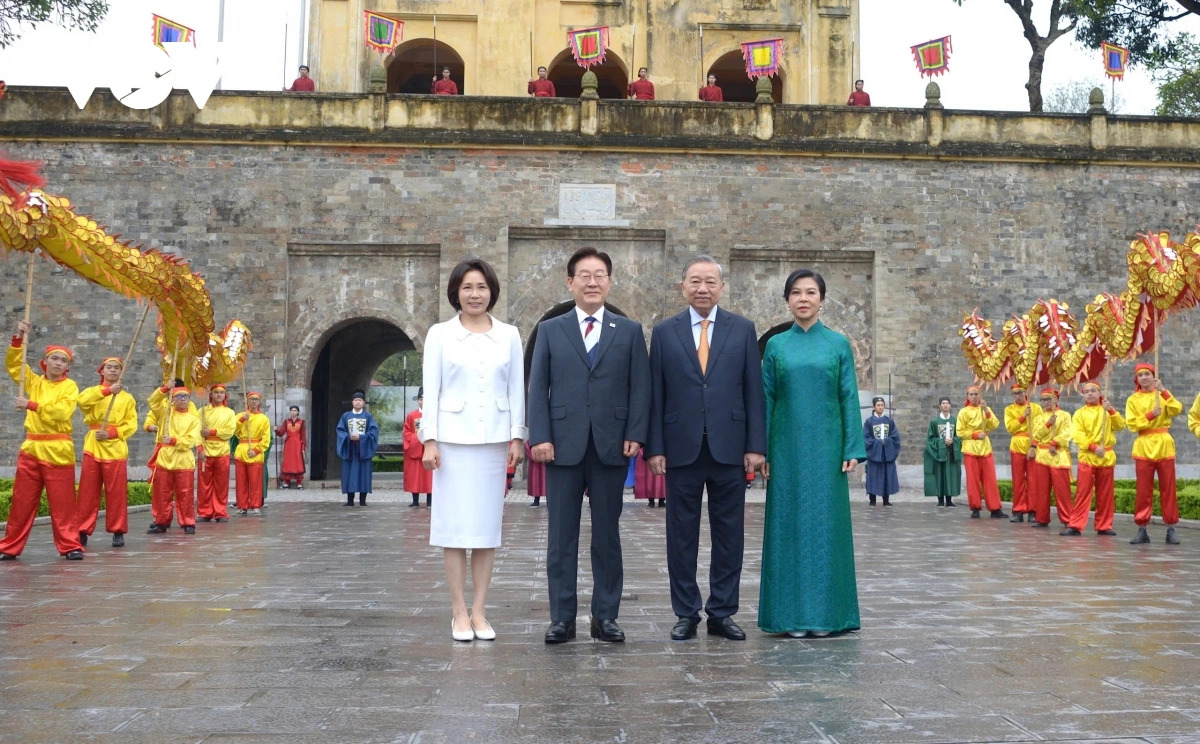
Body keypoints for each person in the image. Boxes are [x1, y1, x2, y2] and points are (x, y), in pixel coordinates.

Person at [528, 246, 651, 644]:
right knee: (561, 537)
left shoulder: (628, 330)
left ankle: (606, 617)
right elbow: (536, 387)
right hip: (561, 446)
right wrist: (540, 435)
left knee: (607, 537)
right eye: (584, 275)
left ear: (609, 281)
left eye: (600, 275)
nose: (592, 281)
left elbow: (641, 387)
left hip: (611, 445)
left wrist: (635, 431)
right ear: (570, 282)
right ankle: (562, 618)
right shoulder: (550, 330)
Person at [646, 255, 766, 642]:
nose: (703, 288)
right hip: (680, 448)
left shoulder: (742, 329)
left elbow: (753, 391)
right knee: (681, 535)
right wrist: (655, 447)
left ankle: (722, 611)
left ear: (721, 287)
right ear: (682, 286)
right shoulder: (665, 332)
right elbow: (655, 393)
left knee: (729, 534)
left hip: (730, 448)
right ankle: (685, 612)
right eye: (695, 281)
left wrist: (755, 445)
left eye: (710, 282)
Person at [420, 258, 526, 642]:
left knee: (485, 530)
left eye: (481, 287)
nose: (475, 294)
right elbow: (431, 389)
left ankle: (480, 610)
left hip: (494, 442)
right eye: (467, 287)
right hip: (450, 442)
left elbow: (517, 388)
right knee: (453, 528)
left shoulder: (509, 335)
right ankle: (458, 611)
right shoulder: (440, 334)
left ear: (492, 291)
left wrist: (517, 436)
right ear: (456, 292)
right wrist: (429, 438)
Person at [759, 269, 865, 638]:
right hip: (785, 448)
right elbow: (766, 398)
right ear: (787, 300)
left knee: (826, 526)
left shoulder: (838, 344)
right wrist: (762, 449)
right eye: (796, 293)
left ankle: (828, 616)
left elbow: (848, 395)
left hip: (827, 449)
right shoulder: (776, 346)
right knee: (787, 526)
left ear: (822, 299)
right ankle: (787, 616)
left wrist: (853, 446)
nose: (803, 299)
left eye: (811, 292)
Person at [0, 323, 83, 560]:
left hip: (58, 448)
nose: (58, 363)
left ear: (67, 366)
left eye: (63, 361)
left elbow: (61, 413)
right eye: (54, 359)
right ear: (45, 362)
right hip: (32, 447)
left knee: (63, 502)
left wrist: (31, 405)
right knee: (21, 501)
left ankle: (70, 545)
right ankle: (10, 546)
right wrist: (18, 339)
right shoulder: (34, 382)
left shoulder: (70, 387)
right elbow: (15, 366)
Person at [76, 356, 138, 548]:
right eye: (108, 367)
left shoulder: (127, 398)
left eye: (116, 368)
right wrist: (106, 391)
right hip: (93, 444)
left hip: (115, 447)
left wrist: (112, 433)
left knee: (117, 492)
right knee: (87, 491)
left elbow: (131, 424)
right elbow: (82, 402)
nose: (112, 370)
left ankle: (118, 530)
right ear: (101, 371)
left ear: (121, 372)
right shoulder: (93, 392)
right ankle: (82, 529)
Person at [1126, 362, 1183, 545]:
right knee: (1143, 490)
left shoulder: (1162, 395)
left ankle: (1171, 528)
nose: (1144, 378)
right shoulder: (1133, 400)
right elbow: (1132, 424)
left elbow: (1177, 409)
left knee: (1168, 488)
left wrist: (1164, 391)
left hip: (1164, 444)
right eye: (1140, 375)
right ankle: (1142, 528)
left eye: (1147, 374)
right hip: (1144, 446)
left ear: (1153, 376)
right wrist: (1150, 415)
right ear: (1137, 379)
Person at [1070, 382, 1125, 536]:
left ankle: (1104, 526)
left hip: (1106, 457)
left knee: (1105, 494)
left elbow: (1121, 425)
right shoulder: (1079, 414)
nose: (1090, 394)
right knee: (1083, 492)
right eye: (1086, 391)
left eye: (1093, 391)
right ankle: (1075, 525)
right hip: (1088, 456)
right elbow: (1078, 435)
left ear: (1100, 393)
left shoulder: (1107, 410)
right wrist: (1093, 447)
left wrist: (1112, 411)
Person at [147, 386, 201, 534]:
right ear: (173, 399)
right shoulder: (165, 413)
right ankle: (161, 522)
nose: (182, 399)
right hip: (165, 458)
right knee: (161, 492)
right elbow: (152, 402)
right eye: (179, 396)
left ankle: (188, 522)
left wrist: (173, 440)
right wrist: (164, 388)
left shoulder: (194, 419)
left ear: (189, 399)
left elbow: (192, 440)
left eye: (185, 396)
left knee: (185, 493)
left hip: (183, 459)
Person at [957, 386, 1007, 519]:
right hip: (970, 449)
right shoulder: (963, 412)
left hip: (985, 448)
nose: (974, 396)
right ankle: (975, 507)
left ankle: (995, 508)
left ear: (980, 395)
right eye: (971, 394)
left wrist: (986, 410)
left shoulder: (986, 409)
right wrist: (975, 435)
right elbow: (960, 432)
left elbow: (994, 424)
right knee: (973, 481)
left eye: (976, 394)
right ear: (967, 396)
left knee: (990, 480)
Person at [1029, 387, 1073, 530]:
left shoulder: (1065, 415)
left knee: (1062, 490)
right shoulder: (1039, 418)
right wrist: (1048, 424)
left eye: (1049, 399)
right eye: (1044, 399)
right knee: (1041, 489)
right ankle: (1041, 517)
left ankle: (1067, 519)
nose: (1046, 402)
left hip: (1058, 455)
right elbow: (1036, 435)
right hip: (1042, 456)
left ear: (1056, 399)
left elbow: (1068, 433)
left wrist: (1055, 442)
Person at [197, 384, 237, 522]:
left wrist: (212, 432)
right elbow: (196, 432)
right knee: (204, 484)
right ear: (211, 395)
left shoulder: (230, 413)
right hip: (205, 451)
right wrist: (200, 449)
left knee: (221, 484)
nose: (219, 395)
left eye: (221, 392)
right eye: (216, 392)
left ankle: (220, 512)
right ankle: (204, 512)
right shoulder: (201, 411)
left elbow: (229, 431)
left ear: (225, 395)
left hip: (222, 451)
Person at [1004, 384, 1043, 522]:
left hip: (1032, 445)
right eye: (1015, 394)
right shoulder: (1009, 409)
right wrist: (1023, 416)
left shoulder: (1036, 408)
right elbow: (1010, 428)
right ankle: (1018, 510)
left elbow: (1040, 428)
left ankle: (1033, 510)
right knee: (1018, 479)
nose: (1017, 396)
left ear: (1025, 393)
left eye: (1020, 393)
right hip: (1017, 445)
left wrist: (1034, 445)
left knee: (1033, 480)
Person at [336, 390, 379, 506]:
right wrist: (348, 437)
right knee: (349, 474)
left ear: (364, 402)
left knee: (363, 475)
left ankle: (362, 500)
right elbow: (340, 431)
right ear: (352, 402)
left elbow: (373, 432)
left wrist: (361, 437)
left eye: (360, 400)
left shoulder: (368, 417)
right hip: (350, 449)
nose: (358, 402)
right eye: (356, 400)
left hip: (363, 450)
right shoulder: (345, 416)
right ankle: (350, 500)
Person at [234, 392, 271, 516]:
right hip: (242, 449)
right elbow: (233, 430)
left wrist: (256, 450)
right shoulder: (240, 416)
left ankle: (255, 505)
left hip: (255, 451)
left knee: (255, 482)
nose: (254, 401)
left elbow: (266, 439)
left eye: (256, 399)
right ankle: (242, 506)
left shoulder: (264, 419)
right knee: (241, 481)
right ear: (247, 401)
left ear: (259, 402)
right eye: (251, 399)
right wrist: (242, 419)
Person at [923, 397, 961, 507]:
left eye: (947, 403)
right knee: (940, 475)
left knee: (950, 475)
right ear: (939, 406)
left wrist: (953, 441)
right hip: (940, 453)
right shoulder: (935, 421)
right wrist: (942, 442)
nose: (945, 405)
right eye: (943, 403)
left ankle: (949, 500)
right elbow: (930, 439)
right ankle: (940, 499)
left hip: (951, 453)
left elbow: (959, 436)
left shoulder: (955, 420)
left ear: (950, 405)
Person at [863, 396, 900, 506]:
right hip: (874, 454)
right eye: (878, 405)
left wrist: (887, 442)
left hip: (886, 454)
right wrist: (878, 443)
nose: (880, 407)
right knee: (873, 476)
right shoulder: (869, 422)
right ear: (874, 407)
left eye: (882, 405)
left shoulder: (889, 421)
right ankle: (872, 499)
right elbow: (866, 438)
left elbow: (895, 437)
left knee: (886, 476)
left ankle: (886, 500)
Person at [402, 388, 432, 507]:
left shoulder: (433, 416)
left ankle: (430, 501)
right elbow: (406, 433)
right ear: (417, 401)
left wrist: (430, 439)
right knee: (415, 476)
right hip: (416, 449)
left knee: (430, 476)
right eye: (420, 399)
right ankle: (415, 501)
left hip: (429, 449)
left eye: (425, 399)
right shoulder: (412, 416)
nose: (422, 402)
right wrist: (418, 439)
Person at [275, 405, 307, 489]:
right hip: (289, 444)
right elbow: (281, 433)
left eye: (295, 410)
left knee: (298, 463)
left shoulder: (301, 422)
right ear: (290, 412)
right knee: (288, 462)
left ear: (298, 412)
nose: (293, 412)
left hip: (297, 445)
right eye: (292, 410)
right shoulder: (286, 422)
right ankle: (287, 482)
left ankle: (299, 483)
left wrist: (303, 447)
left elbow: (303, 436)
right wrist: (276, 430)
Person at [526, 441, 546, 506]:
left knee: (547, 481)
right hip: (535, 465)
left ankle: (550, 500)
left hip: (546, 463)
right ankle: (536, 500)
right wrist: (535, 456)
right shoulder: (531, 440)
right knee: (536, 482)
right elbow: (527, 446)